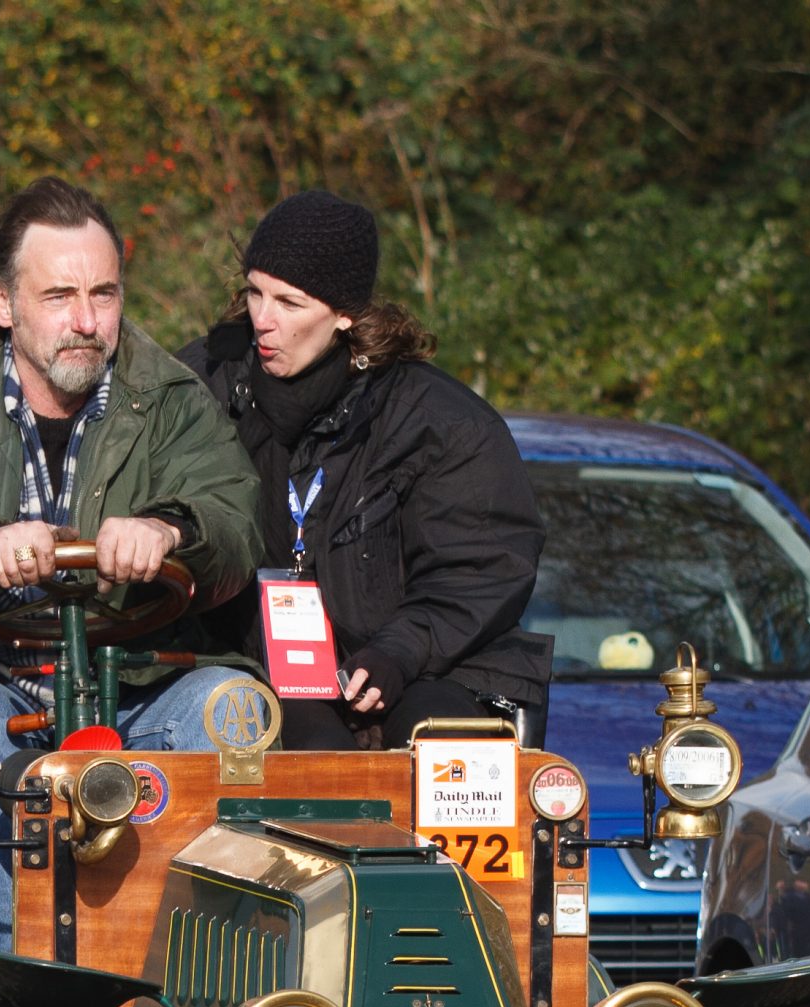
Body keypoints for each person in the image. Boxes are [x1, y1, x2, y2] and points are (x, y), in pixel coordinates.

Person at [0, 176, 264, 947]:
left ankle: (187, 965)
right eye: (59, 296)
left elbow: (235, 519)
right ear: (5, 304)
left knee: (229, 707)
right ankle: (22, 966)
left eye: (103, 295)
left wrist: (172, 531)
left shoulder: (169, 396)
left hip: (136, 682)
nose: (85, 321)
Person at [181, 190, 548, 749]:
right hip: (259, 672)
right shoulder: (198, 387)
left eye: (290, 302)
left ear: (346, 315)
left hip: (426, 664)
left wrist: (398, 651)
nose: (262, 320)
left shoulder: (443, 423)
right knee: (306, 757)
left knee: (448, 744)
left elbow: (481, 567)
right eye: (255, 292)